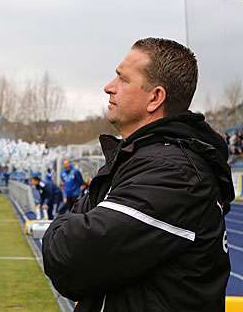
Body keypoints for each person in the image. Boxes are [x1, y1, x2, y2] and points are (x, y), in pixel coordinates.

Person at [42, 38, 234, 311]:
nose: (109, 87)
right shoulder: (140, 161)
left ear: (155, 98)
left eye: (122, 79)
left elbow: (68, 258)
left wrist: (61, 229)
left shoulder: (173, 173)